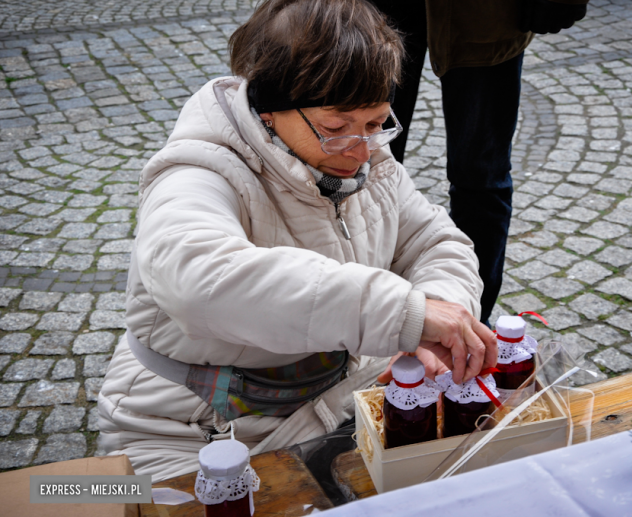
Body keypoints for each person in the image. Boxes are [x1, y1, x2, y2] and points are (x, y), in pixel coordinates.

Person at [97, 0, 497, 482]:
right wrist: (404, 314)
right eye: (336, 128)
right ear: (269, 109)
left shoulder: (369, 158)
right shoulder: (197, 170)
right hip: (195, 432)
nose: (362, 149)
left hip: (335, 403)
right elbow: (201, 278)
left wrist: (440, 309)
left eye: (376, 123)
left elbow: (436, 241)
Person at [372, 0, 588, 325]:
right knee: (363, 161)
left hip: (487, 14)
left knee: (482, 179)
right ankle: (370, 315)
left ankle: (469, 323)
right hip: (376, 14)